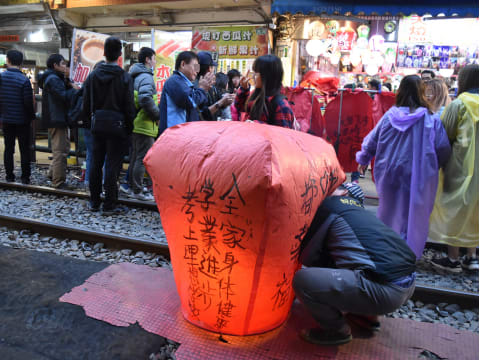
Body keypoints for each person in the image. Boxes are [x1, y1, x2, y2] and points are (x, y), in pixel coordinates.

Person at [294, 186, 416, 346]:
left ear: (344, 193)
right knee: (346, 261)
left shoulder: (330, 207)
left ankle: (336, 331)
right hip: (409, 283)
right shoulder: (358, 213)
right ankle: (367, 315)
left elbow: (306, 255)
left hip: (385, 291)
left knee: (303, 281)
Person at [356, 75, 451, 259]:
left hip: (389, 173)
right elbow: (443, 148)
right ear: (422, 92)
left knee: (388, 212)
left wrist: (364, 158)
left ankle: (386, 253)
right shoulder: (431, 119)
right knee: (415, 217)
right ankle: (407, 256)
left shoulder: (389, 116)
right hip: (420, 177)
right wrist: (440, 166)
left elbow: (372, 140)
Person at [429, 64, 479, 272]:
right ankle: (472, 256)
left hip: (460, 168)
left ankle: (452, 259)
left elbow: (443, 137)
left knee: (454, 209)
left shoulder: (459, 105)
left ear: (463, 81)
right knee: (476, 209)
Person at [82, 36, 136, 214]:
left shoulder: (93, 75)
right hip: (118, 127)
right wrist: (129, 127)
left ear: (104, 53)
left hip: (97, 125)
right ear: (120, 54)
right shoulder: (125, 77)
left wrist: (89, 123)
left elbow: (86, 102)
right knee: (113, 165)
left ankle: (94, 202)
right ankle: (109, 204)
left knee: (96, 163)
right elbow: (129, 106)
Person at [159, 51, 226, 133]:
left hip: (184, 134)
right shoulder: (175, 81)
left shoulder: (187, 84)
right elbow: (190, 101)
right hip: (173, 135)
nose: (197, 71)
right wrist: (202, 89)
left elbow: (198, 110)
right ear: (183, 64)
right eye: (195, 66)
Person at [38, 54, 79, 189]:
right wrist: (74, 89)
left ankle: (52, 174)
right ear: (55, 65)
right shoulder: (53, 79)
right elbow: (63, 97)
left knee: (64, 148)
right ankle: (58, 181)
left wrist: (67, 82)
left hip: (57, 118)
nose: (65, 66)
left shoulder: (55, 78)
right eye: (62, 64)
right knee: (60, 150)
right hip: (57, 118)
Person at [127, 47, 158, 201]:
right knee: (141, 158)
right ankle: (137, 190)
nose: (155, 61)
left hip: (136, 122)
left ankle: (133, 187)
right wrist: (157, 114)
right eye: (154, 58)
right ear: (147, 59)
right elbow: (145, 98)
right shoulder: (145, 77)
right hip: (144, 123)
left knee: (135, 157)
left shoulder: (134, 75)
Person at [0, 50, 35, 184]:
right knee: (24, 149)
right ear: (21, 63)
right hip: (22, 120)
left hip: (7, 119)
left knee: (8, 148)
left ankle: (9, 176)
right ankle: (25, 177)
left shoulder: (1, 78)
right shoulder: (24, 80)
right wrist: (31, 117)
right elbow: (28, 102)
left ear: (7, 60)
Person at [235, 54, 294, 128]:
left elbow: (282, 136)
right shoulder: (256, 95)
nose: (253, 76)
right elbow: (240, 107)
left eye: (256, 73)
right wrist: (244, 89)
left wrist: (256, 125)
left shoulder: (281, 105)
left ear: (268, 76)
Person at [194, 51, 235, 120]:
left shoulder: (211, 86)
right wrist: (222, 101)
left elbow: (218, 101)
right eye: (212, 68)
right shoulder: (196, 87)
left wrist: (226, 101)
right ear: (209, 69)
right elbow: (202, 114)